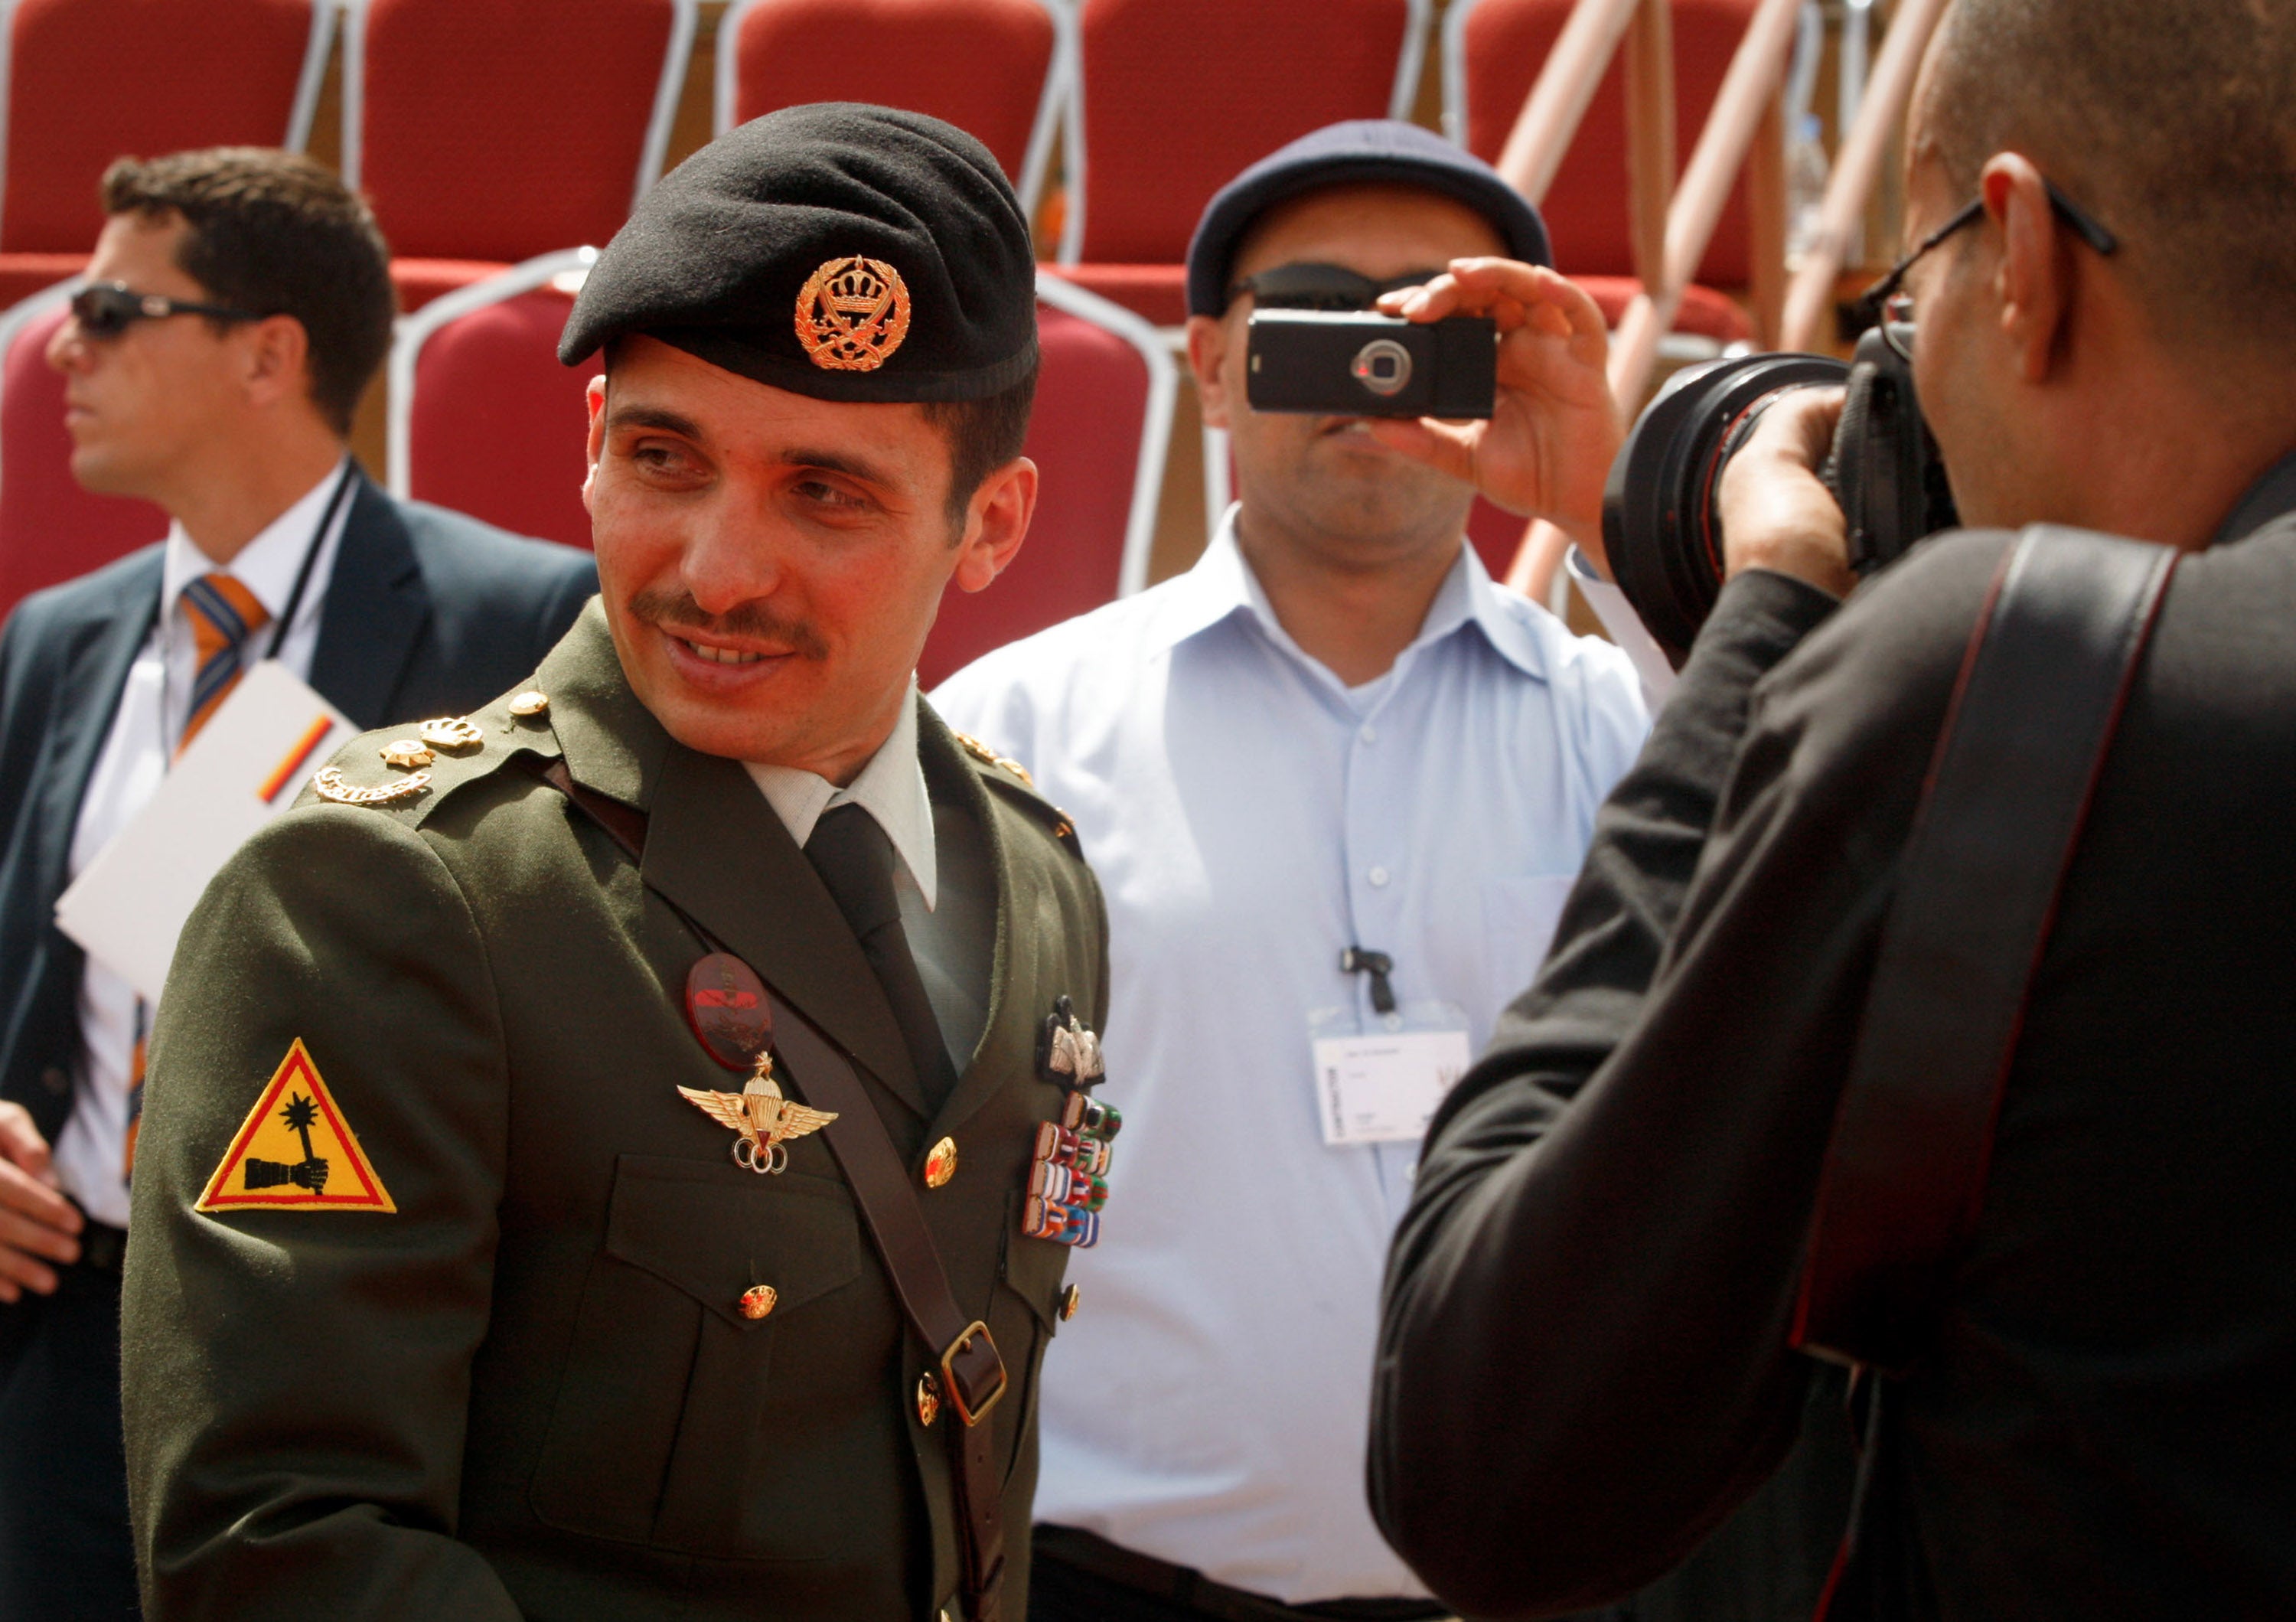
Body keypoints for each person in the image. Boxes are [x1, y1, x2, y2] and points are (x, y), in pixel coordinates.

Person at [119, 105, 1108, 1622]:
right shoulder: (396, 896)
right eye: (665, 457)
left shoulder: (1040, 883)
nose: (716, 569)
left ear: (992, 523)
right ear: (589, 453)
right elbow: (282, 1547)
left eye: (825, 491)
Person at [1371, 0, 2296, 1616]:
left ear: (2020, 252)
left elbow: (1485, 1445)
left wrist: (1779, 614)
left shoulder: (2018, 688)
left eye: (1907, 283)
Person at [933, 122, 1647, 1620]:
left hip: (1551, 1577)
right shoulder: (1015, 728)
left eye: (1441, 319)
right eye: (1320, 305)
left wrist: (1600, 511)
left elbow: (1826, 829)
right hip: (1113, 1582)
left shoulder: (1624, 719)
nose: (1381, 356)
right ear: (1208, 364)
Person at [0, 146, 593, 1618]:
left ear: (269, 353)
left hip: (346, 1343)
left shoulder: (516, 619)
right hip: (59, 1340)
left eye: (114, 306)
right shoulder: (51, 639)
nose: (61, 339)